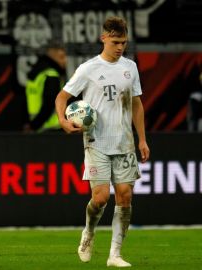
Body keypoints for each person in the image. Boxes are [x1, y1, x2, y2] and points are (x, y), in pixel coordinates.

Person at [55, 16, 150, 267]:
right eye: (116, 41)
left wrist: (142, 139)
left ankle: (115, 255)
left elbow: (137, 105)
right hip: (96, 141)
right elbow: (62, 97)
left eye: (124, 42)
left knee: (125, 197)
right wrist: (63, 121)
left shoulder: (130, 67)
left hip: (125, 142)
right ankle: (88, 233)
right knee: (99, 199)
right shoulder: (88, 69)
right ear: (104, 38)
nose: (120, 47)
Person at [24, 41, 67, 133]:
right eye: (61, 57)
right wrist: (34, 126)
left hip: (38, 128)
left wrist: (32, 124)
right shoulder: (51, 75)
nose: (65, 61)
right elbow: (50, 104)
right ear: (52, 56)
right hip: (51, 129)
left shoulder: (37, 73)